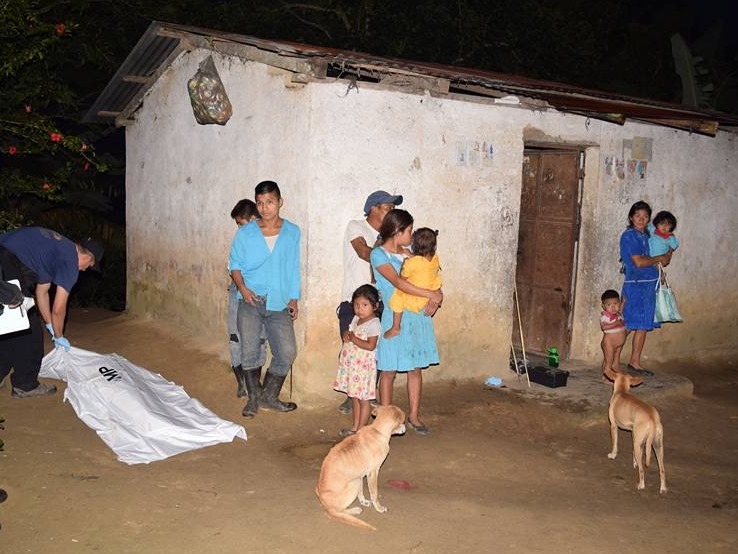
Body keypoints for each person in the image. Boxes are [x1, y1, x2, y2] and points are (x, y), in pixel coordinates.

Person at [0, 227, 103, 397]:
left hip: (6, 257)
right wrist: (59, 336)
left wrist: (49, 325)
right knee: (28, 328)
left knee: (11, 324)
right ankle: (25, 385)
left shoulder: (56, 250)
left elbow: (42, 293)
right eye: (89, 266)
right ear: (88, 257)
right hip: (8, 260)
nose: (85, 270)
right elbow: (58, 309)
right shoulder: (69, 261)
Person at [229, 181, 301, 418]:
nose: (265, 208)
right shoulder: (245, 233)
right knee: (249, 351)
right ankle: (253, 400)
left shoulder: (292, 231)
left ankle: (269, 396)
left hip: (279, 301)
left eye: (270, 202)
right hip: (251, 301)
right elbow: (234, 265)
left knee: (287, 351)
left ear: (280, 202)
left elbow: (293, 267)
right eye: (260, 203)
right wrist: (242, 288)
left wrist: (294, 298)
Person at [370, 209, 443, 435]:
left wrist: (438, 293)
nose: (411, 235)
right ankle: (385, 419)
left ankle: (414, 415)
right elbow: (399, 283)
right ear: (397, 231)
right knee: (388, 370)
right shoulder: (378, 255)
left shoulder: (409, 253)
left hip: (416, 316)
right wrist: (431, 295)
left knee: (415, 368)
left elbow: (430, 275)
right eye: (409, 230)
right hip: (394, 313)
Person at [336, 190, 403, 415]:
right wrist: (389, 247)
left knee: (376, 351)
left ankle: (366, 393)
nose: (391, 212)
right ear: (373, 208)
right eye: (388, 208)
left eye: (393, 209)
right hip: (354, 301)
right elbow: (364, 252)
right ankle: (352, 394)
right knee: (351, 346)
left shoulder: (390, 236)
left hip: (380, 302)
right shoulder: (356, 226)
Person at [619, 201, 672, 377]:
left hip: (649, 284)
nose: (641, 219)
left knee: (642, 326)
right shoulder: (629, 236)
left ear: (649, 219)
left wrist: (666, 254)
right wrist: (659, 258)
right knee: (626, 325)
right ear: (631, 217)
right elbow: (639, 262)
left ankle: (635, 362)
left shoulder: (648, 235)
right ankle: (611, 363)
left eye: (645, 216)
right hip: (635, 285)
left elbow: (664, 255)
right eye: (638, 216)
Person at [226, 199, 265, 398]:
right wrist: (242, 288)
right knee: (236, 338)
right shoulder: (240, 240)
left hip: (260, 294)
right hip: (238, 292)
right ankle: (242, 383)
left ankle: (255, 384)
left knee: (259, 339)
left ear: (253, 219)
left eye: (241, 223)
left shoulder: (270, 239)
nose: (240, 229)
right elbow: (232, 267)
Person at [333, 284, 381, 438]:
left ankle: (361, 431)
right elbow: (350, 333)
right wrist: (347, 334)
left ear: (375, 306)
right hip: (353, 367)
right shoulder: (356, 319)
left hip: (363, 368)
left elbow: (370, 345)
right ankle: (355, 427)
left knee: (364, 400)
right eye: (356, 305)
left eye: (365, 305)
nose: (360, 309)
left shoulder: (374, 324)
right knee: (355, 397)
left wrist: (353, 339)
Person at [384, 227, 441, 339]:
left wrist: (404, 264)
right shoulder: (435, 259)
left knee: (398, 295)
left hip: (415, 299)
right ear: (434, 246)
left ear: (414, 246)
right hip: (429, 298)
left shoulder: (411, 263)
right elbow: (422, 264)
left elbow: (401, 280)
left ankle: (395, 327)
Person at [599, 289, 626, 381]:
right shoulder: (606, 316)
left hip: (618, 344)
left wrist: (623, 303)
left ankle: (616, 375)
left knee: (616, 360)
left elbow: (620, 312)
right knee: (609, 361)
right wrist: (615, 323)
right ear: (603, 306)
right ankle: (606, 377)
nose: (613, 307)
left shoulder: (618, 314)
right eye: (609, 305)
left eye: (615, 304)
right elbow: (604, 327)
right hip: (609, 343)